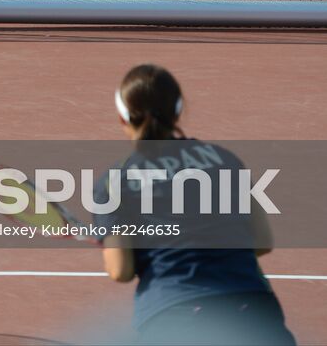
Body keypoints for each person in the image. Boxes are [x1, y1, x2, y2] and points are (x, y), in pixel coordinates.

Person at [99, 64, 296, 346]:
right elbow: (262, 241)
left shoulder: (114, 183)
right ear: (177, 111)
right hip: (254, 313)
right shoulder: (225, 159)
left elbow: (121, 271)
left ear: (122, 117)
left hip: (173, 319)